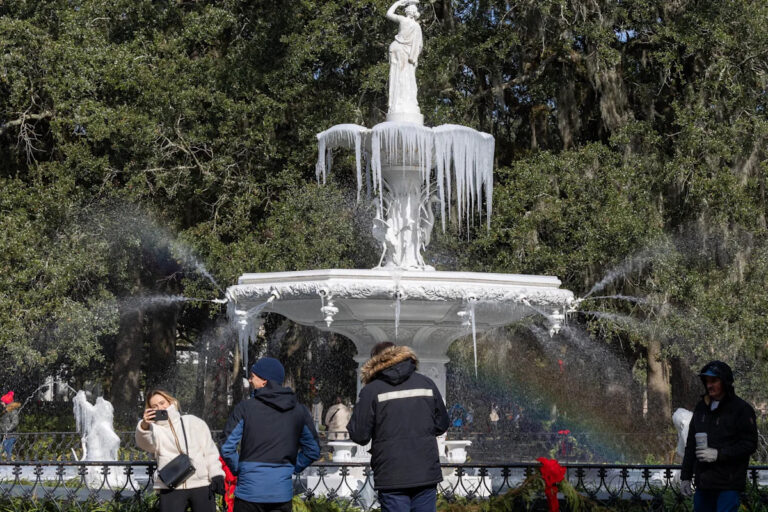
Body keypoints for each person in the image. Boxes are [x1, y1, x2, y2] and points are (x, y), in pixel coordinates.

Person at [347, 342, 449, 512]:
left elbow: (359, 435)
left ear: (375, 361)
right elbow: (442, 424)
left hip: (391, 474)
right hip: (425, 471)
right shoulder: (426, 383)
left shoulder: (372, 390)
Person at [221, 357, 320, 512]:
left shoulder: (245, 408)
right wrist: (292, 467)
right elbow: (313, 450)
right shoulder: (299, 411)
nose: (250, 380)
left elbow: (227, 447)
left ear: (264, 381)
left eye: (253, 376)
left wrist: (240, 469)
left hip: (249, 492)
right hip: (280, 493)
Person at [680, 361, 758, 512]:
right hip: (704, 484)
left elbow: (750, 444)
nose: (709, 385)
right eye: (707, 381)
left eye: (714, 381)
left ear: (725, 382)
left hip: (728, 485)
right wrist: (685, 477)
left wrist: (719, 454)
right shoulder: (701, 407)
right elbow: (691, 444)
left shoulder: (741, 409)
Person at [135, 390, 225, 512]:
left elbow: (209, 451)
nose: (160, 407)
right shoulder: (154, 429)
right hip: (171, 486)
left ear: (171, 402)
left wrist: (216, 475)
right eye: (154, 406)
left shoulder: (193, 422)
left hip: (201, 484)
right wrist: (144, 425)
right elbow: (145, 444)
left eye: (162, 403)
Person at [386, 0, 422, 115]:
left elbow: (389, 14)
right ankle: (405, 103)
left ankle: (396, 104)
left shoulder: (402, 20)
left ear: (407, 11)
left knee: (396, 77)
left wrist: (398, 3)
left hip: (396, 48)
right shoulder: (417, 27)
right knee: (407, 78)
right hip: (406, 53)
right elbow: (419, 45)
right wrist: (414, 57)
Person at [1, 395, 20, 459]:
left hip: (11, 436)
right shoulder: (6, 411)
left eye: (2, 401)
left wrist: (8, 429)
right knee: (3, 452)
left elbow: (15, 422)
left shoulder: (13, 411)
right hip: (6, 435)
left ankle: (11, 465)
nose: (1, 403)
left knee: (7, 453)